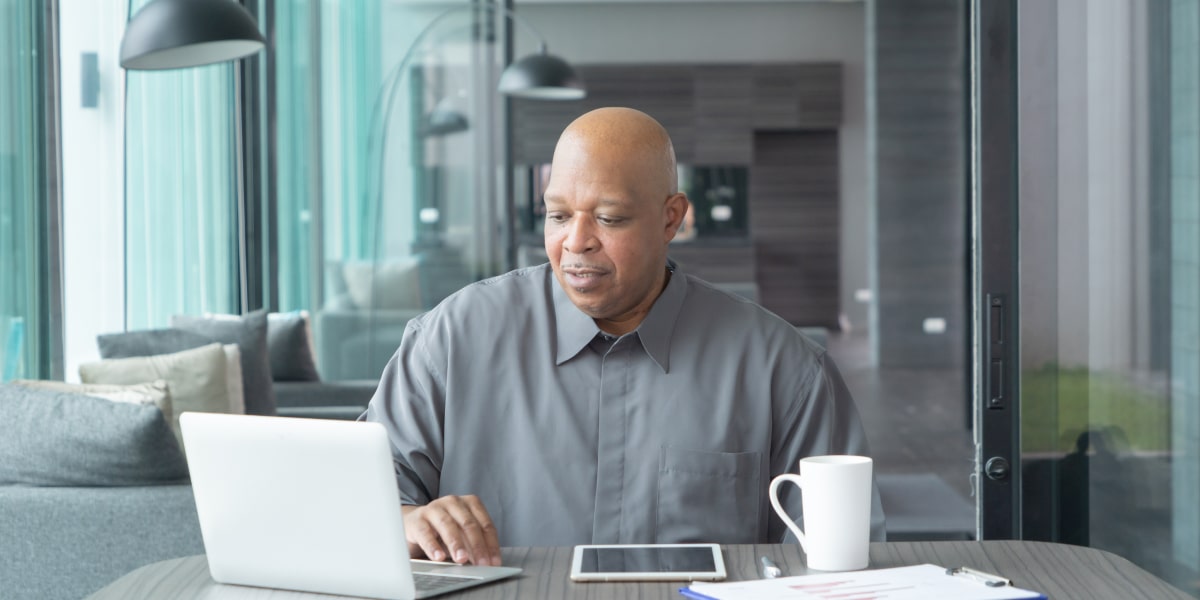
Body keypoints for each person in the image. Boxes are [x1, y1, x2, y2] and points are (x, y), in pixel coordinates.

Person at [363, 107, 885, 567]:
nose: (576, 242)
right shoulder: (454, 338)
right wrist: (405, 518)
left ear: (671, 218)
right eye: (558, 215)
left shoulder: (784, 369)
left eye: (609, 218)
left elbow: (840, 560)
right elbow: (360, 492)